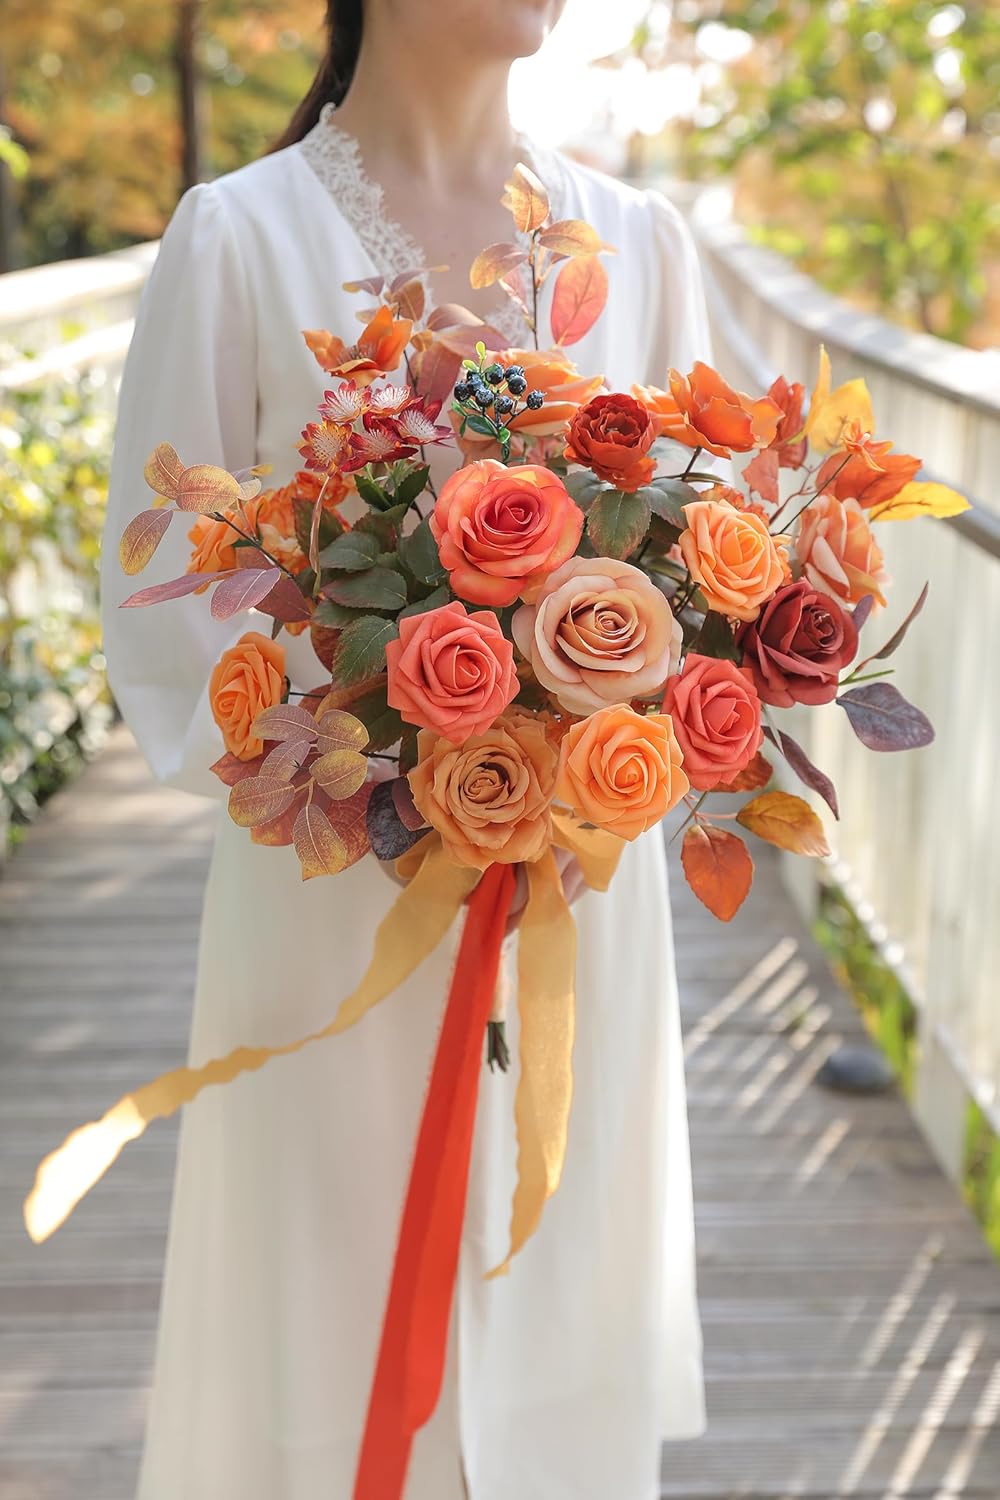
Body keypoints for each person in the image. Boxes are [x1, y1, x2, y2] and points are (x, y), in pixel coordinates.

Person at [100, 3, 713, 1496]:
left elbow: (702, 572)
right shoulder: (239, 238)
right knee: (325, 1306)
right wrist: (391, 749)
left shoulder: (640, 243)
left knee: (560, 1297)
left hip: (578, 891)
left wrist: (579, 742)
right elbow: (163, 602)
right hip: (332, 885)